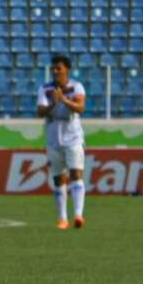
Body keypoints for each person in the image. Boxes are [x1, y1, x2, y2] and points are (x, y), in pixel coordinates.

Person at [36, 55, 87, 230]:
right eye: (54, 68)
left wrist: (64, 100)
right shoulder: (45, 88)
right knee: (59, 179)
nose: (55, 71)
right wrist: (53, 104)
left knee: (76, 174)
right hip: (53, 137)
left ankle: (79, 215)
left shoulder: (76, 86)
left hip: (73, 136)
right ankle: (62, 218)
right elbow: (40, 111)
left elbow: (80, 108)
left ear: (67, 70)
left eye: (59, 68)